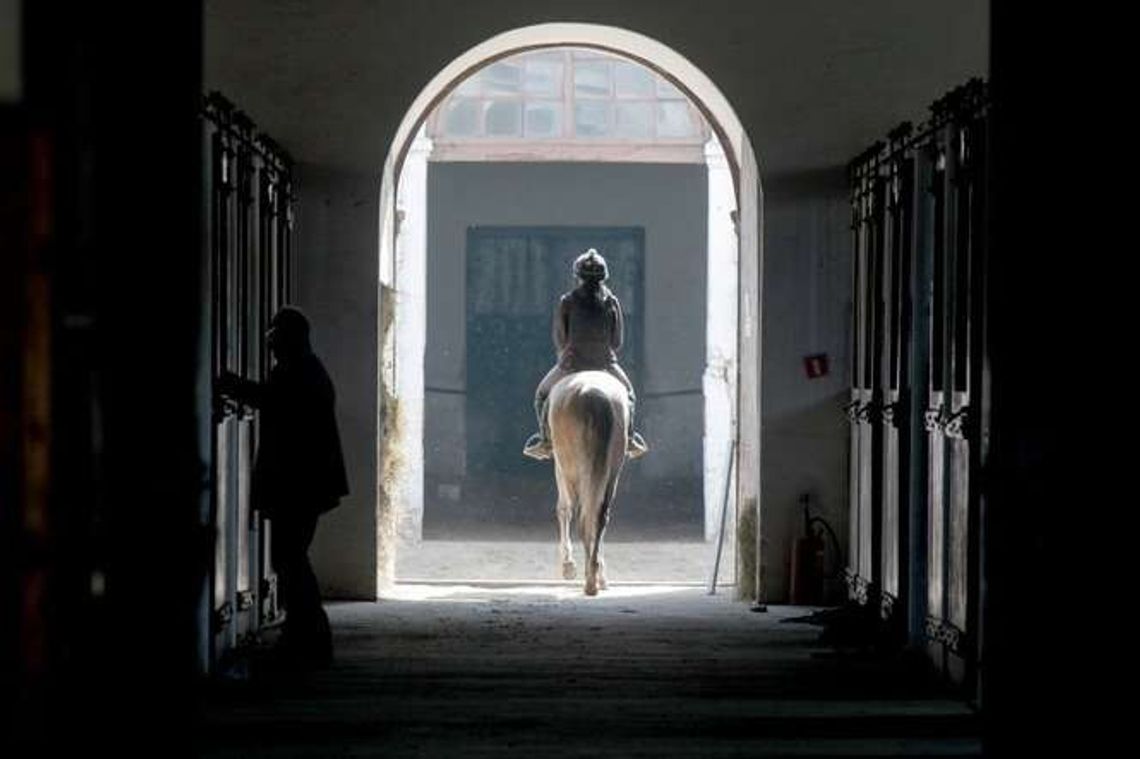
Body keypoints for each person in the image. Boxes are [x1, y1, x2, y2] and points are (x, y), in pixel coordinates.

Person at [217, 306, 348, 669]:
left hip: (299, 485)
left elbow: (274, 402)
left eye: (275, 339)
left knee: (290, 558)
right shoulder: (306, 369)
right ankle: (306, 634)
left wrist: (232, 385)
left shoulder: (298, 372)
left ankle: (307, 635)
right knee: (292, 557)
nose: (271, 346)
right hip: (304, 485)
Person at [523, 248, 648, 461]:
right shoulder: (612, 302)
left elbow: (561, 340)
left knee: (541, 396)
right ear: (603, 277)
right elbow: (617, 343)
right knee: (629, 395)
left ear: (577, 276)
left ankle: (545, 441)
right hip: (605, 364)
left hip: (572, 363)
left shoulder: (567, 301)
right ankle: (629, 439)